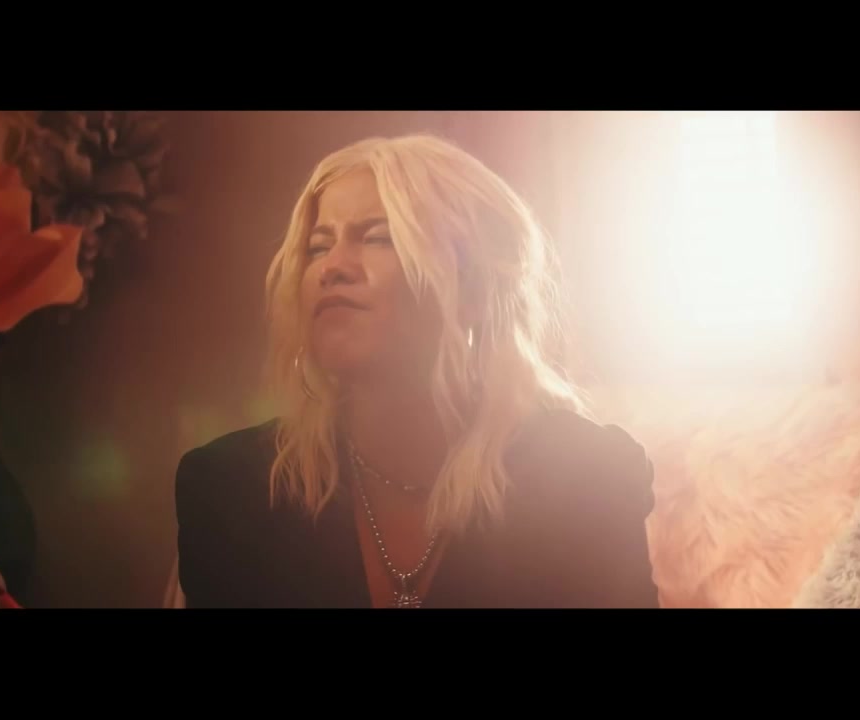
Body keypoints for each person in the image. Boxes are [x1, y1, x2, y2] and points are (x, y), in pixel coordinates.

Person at [175, 134, 658, 608]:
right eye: (318, 247)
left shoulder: (590, 478)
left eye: (378, 238)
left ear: (475, 290)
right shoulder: (229, 489)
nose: (332, 267)